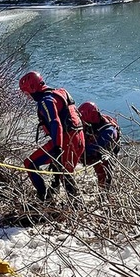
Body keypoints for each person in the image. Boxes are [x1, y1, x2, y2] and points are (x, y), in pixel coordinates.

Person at [19, 70, 85, 201]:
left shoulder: (46, 101)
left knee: (30, 163)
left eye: (26, 93)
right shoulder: (61, 92)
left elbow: (55, 123)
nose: (27, 96)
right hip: (79, 138)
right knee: (63, 171)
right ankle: (56, 192)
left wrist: (57, 148)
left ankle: (45, 198)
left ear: (32, 88)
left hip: (66, 140)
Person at [79, 101, 122, 189]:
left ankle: (104, 195)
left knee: (105, 176)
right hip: (97, 147)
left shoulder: (108, 132)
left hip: (105, 154)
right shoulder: (94, 121)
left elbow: (93, 149)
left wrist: (77, 148)